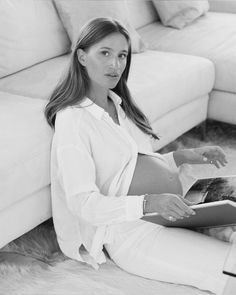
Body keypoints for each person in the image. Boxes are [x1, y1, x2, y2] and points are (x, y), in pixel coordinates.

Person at [45, 17, 234, 294]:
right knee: (229, 269)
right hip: (134, 234)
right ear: (82, 57)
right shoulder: (73, 120)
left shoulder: (118, 105)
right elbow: (83, 203)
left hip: (176, 211)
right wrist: (149, 202)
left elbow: (133, 166)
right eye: (105, 53)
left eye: (122, 55)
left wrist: (183, 157)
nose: (115, 64)